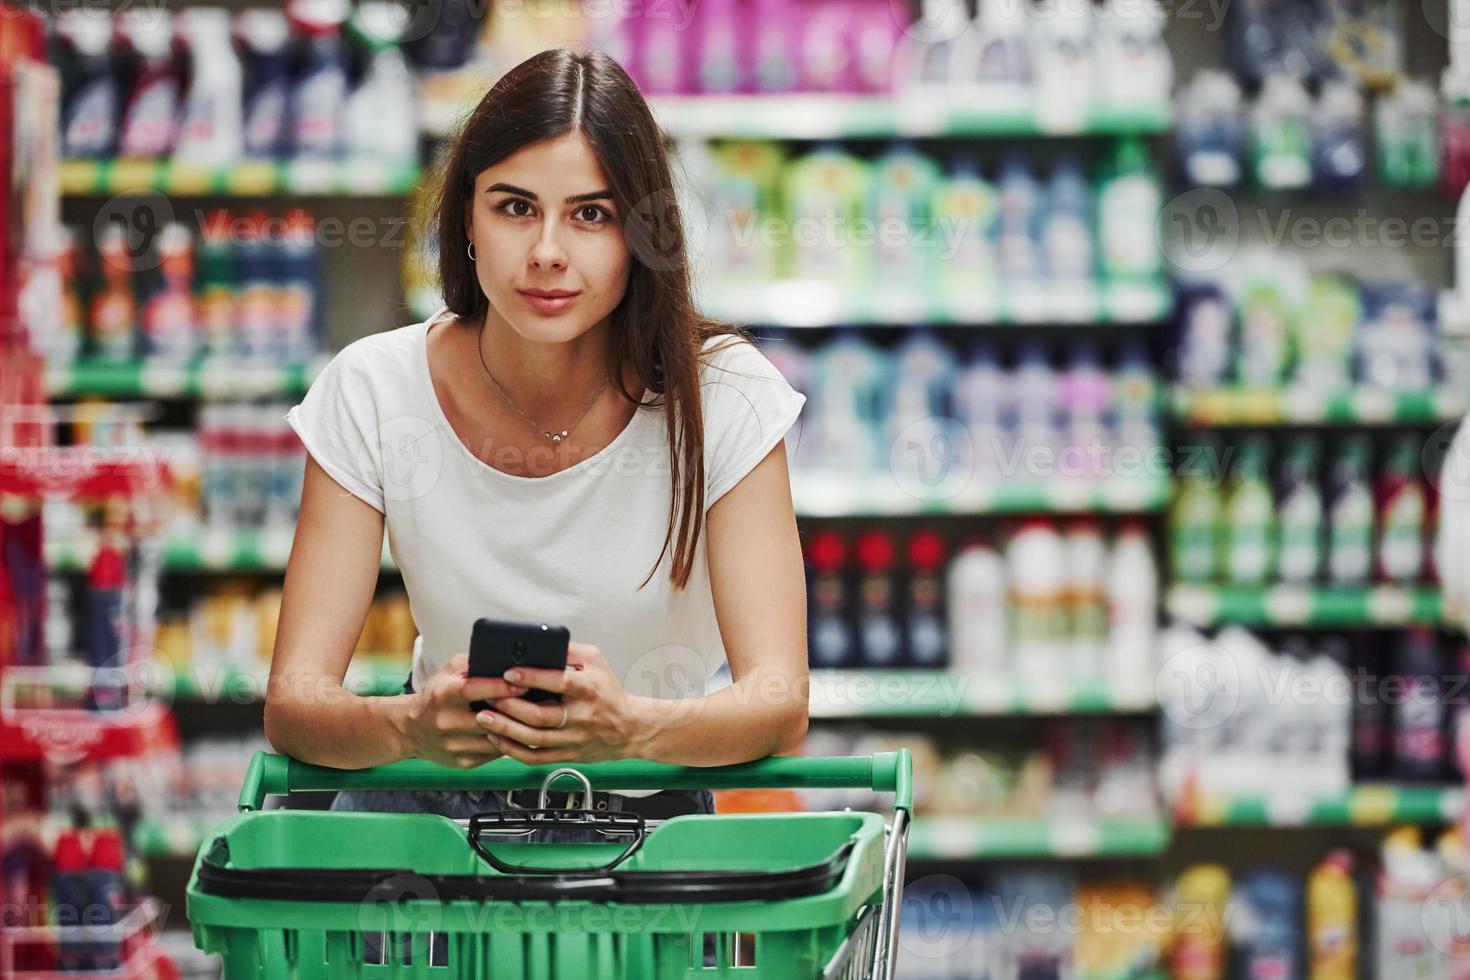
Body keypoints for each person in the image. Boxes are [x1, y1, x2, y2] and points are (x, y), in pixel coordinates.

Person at [263, 48, 810, 832]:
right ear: (466, 220)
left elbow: (780, 699)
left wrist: (632, 729)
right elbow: (294, 702)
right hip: (423, 834)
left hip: (646, 826)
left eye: (591, 214)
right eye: (515, 207)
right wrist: (410, 725)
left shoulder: (723, 396)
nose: (548, 251)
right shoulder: (374, 390)